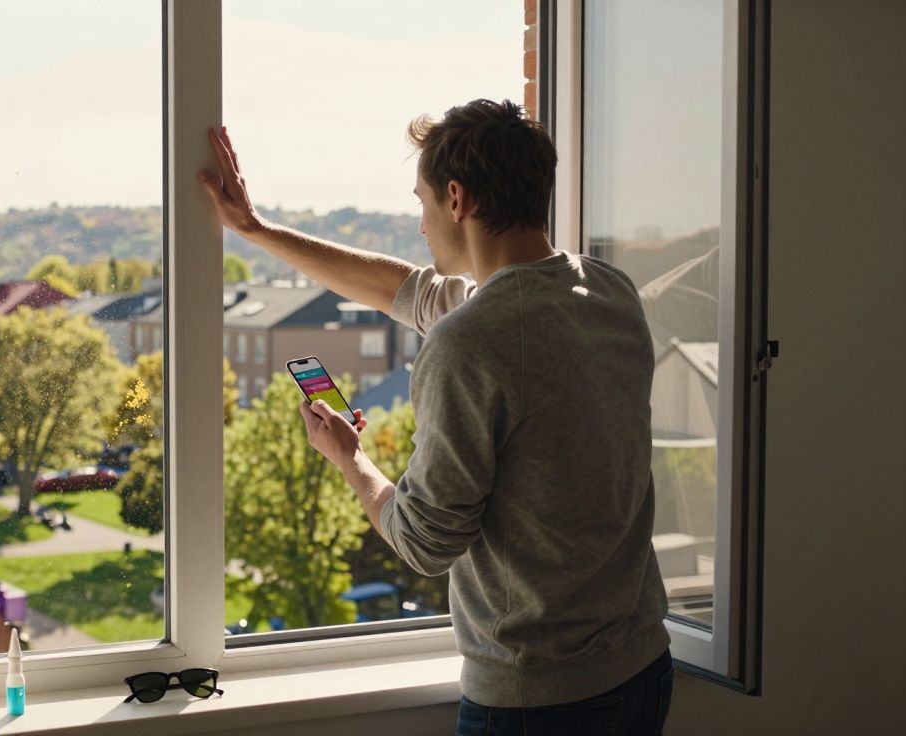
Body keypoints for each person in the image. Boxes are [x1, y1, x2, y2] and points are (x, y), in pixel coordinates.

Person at [198, 99, 674, 735]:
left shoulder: (472, 341)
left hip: (541, 701)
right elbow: (405, 291)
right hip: (642, 666)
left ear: (456, 199)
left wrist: (350, 457)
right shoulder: (607, 291)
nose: (420, 224)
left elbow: (424, 542)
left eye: (421, 202)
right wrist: (256, 230)